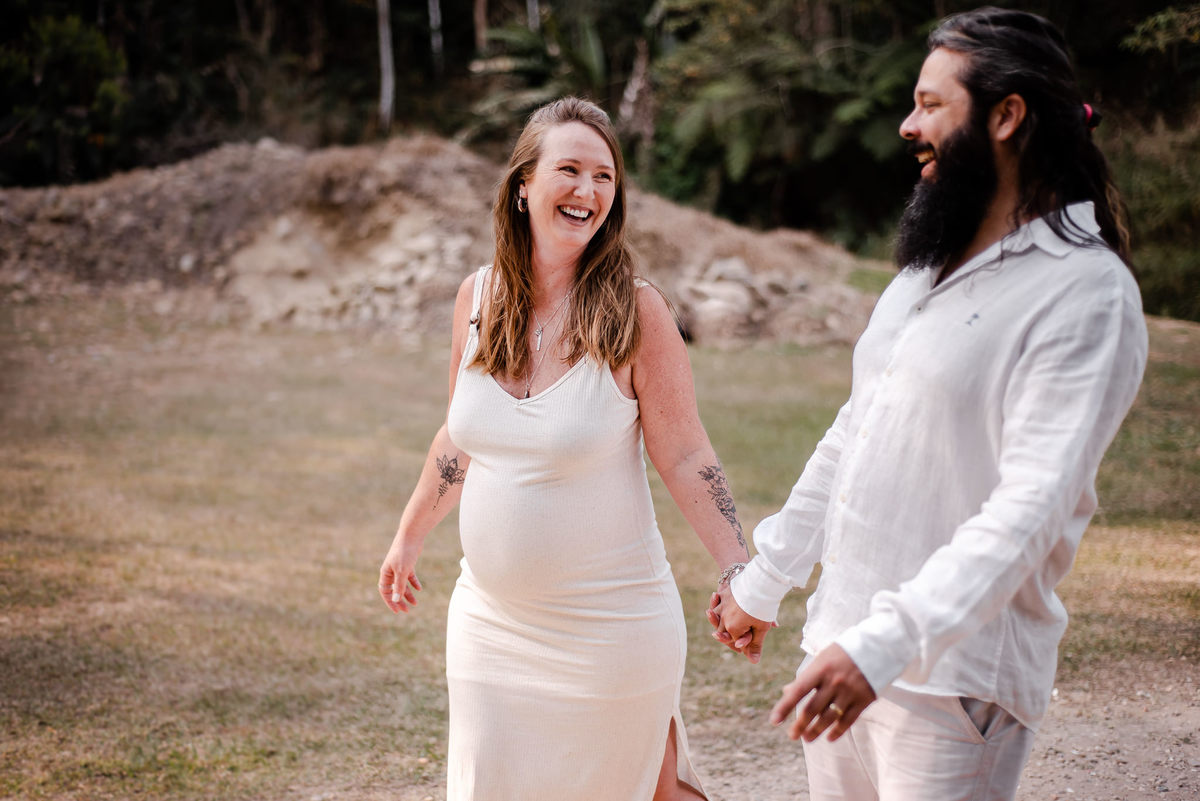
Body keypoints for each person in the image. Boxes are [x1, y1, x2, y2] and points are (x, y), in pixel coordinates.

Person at [707, 7, 1148, 800]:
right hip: (841, 646)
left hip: (954, 682)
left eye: (931, 103)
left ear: (1007, 116)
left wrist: (886, 645)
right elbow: (856, 429)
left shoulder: (1085, 292)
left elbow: (1032, 507)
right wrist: (766, 576)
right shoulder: (928, 267)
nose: (909, 125)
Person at [378, 96, 749, 801]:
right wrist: (407, 537)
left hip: (613, 628)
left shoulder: (637, 311)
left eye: (604, 177)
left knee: (652, 789)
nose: (588, 190)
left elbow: (685, 454)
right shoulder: (476, 299)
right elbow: (458, 435)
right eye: (570, 170)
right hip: (490, 625)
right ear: (523, 185)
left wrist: (739, 566)